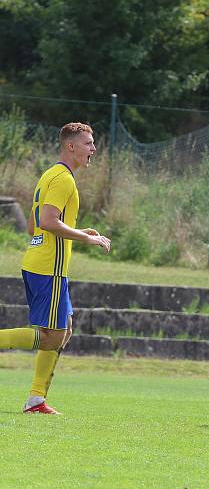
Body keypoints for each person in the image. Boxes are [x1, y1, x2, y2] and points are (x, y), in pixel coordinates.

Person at [0, 122, 111, 414]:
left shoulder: (50, 174)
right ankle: (35, 399)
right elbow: (48, 223)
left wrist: (75, 230)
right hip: (48, 267)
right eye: (88, 144)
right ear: (71, 146)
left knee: (65, 329)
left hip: (42, 263)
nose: (93, 149)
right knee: (52, 336)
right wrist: (87, 238)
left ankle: (36, 398)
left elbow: (32, 226)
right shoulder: (64, 180)